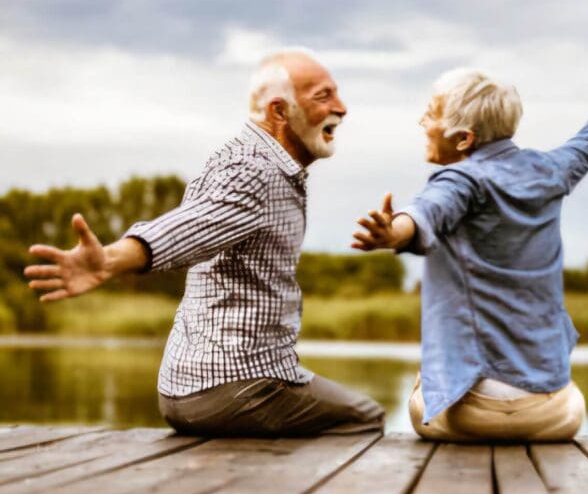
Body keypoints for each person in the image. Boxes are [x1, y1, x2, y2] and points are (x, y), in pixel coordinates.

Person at [25, 49, 385, 437]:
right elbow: (190, 228)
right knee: (364, 416)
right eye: (323, 96)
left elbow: (203, 226)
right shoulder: (256, 172)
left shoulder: (237, 159)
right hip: (241, 388)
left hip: (183, 390)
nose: (341, 108)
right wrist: (112, 259)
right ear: (279, 112)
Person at [352, 38, 588, 442]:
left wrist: (392, 232)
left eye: (430, 115)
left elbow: (425, 212)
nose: (424, 123)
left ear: (464, 139)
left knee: (422, 392)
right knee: (570, 397)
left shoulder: (460, 179)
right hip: (553, 418)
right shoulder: (551, 170)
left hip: (474, 416)